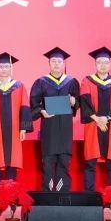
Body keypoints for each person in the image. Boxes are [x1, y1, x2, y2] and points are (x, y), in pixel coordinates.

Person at [30, 47, 80, 192]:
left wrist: (74, 102)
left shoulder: (71, 82)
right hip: (49, 128)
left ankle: (63, 195)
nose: (56, 64)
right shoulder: (41, 82)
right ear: (49, 63)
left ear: (64, 63)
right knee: (48, 163)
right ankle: (48, 194)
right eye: (53, 61)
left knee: (64, 162)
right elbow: (34, 104)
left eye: (59, 61)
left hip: (65, 129)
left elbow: (78, 102)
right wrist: (42, 111)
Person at [79, 47, 111, 192]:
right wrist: (97, 119)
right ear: (95, 64)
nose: (103, 65)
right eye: (99, 62)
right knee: (90, 162)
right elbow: (85, 102)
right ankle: (89, 196)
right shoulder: (87, 81)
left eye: (106, 62)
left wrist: (106, 118)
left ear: (110, 64)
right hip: (93, 125)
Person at [0, 53, 32, 183]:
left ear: (11, 68)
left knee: (12, 161)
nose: (4, 69)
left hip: (14, 129)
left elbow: (25, 106)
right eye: (1, 67)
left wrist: (23, 128)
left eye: (6, 66)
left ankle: (11, 192)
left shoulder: (19, 86)